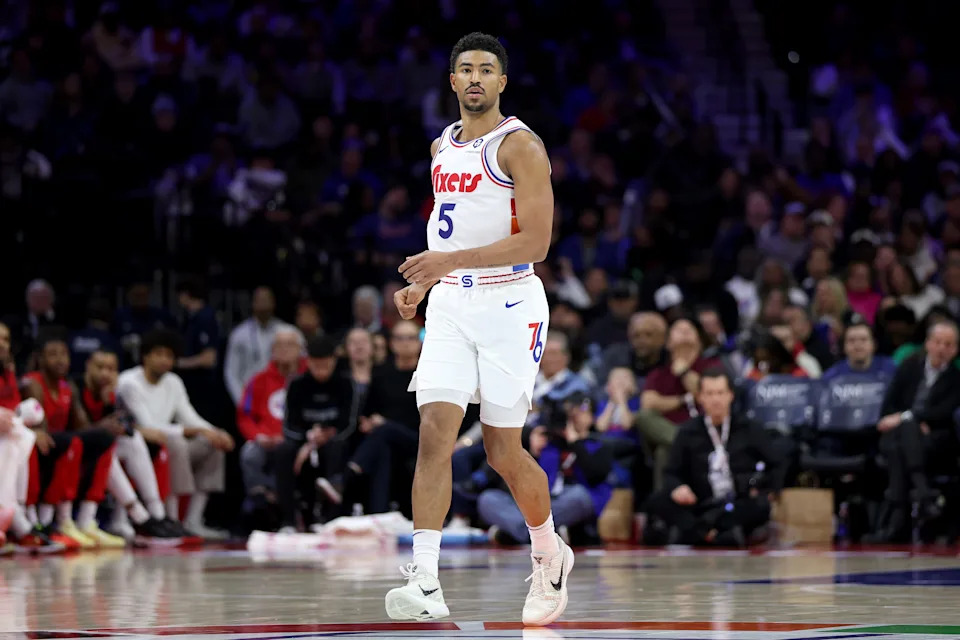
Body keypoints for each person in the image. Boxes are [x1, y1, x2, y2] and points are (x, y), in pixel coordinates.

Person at [386, 33, 573, 626]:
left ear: (501, 82)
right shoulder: (443, 144)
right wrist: (427, 281)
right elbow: (455, 233)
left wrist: (445, 265)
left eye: (485, 70)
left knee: (500, 449)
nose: (474, 78)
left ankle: (548, 552)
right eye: (464, 69)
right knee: (434, 432)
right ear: (451, 81)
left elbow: (537, 243)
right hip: (451, 304)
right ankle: (426, 582)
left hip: (512, 303)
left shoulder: (520, 146)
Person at [117, 329, 235, 539]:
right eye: (159, 354)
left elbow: (189, 417)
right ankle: (171, 518)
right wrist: (195, 430)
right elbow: (149, 426)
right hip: (143, 446)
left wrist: (215, 433)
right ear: (145, 356)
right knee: (175, 442)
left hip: (168, 440)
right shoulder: (129, 383)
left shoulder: (174, 382)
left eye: (169, 356)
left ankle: (194, 520)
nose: (164, 360)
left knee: (212, 445)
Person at [645, 369, 782, 546]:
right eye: (709, 394)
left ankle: (702, 532)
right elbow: (671, 472)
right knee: (658, 500)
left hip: (736, 502)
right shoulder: (687, 432)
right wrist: (679, 488)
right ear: (700, 397)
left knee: (759, 506)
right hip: (700, 501)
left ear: (730, 395)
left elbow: (776, 462)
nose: (715, 400)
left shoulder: (750, 429)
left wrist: (767, 488)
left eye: (720, 393)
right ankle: (713, 533)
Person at [23, 330, 126, 548]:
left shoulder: (67, 386)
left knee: (105, 440)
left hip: (62, 445)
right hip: (38, 449)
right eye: (53, 354)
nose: (60, 360)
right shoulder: (33, 383)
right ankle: (50, 521)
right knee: (74, 443)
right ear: (40, 358)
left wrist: (105, 425)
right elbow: (40, 430)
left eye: (64, 354)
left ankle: (86, 520)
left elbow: (84, 427)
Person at [77, 349, 180, 543]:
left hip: (99, 450)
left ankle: (156, 512)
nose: (105, 374)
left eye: (111, 369)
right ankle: (141, 516)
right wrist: (105, 424)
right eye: (100, 368)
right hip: (75, 450)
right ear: (88, 366)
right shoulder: (78, 387)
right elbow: (82, 432)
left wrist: (111, 406)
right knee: (106, 448)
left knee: (134, 441)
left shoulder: (113, 394)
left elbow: (127, 426)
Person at [870, 320, 960, 542]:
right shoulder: (909, 367)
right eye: (938, 342)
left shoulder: (956, 379)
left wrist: (905, 418)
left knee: (902, 435)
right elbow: (887, 406)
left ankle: (896, 524)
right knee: (903, 436)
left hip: (934, 441)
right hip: (901, 437)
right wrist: (908, 421)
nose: (941, 349)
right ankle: (923, 492)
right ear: (928, 343)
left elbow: (943, 413)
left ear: (955, 350)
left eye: (948, 345)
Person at [634, 316, 720, 490]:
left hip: (703, 430)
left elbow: (706, 393)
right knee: (643, 417)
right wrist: (683, 399)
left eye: (689, 330)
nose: (685, 332)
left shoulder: (711, 366)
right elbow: (648, 403)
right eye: (678, 330)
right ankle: (687, 445)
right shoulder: (658, 374)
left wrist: (684, 372)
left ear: (699, 340)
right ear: (668, 343)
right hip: (670, 431)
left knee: (665, 452)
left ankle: (664, 510)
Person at [278, 336, 352, 531]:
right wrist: (308, 440)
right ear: (308, 362)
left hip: (333, 440)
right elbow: (289, 425)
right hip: (304, 440)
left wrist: (325, 435)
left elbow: (348, 425)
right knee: (284, 451)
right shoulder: (297, 384)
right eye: (316, 366)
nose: (321, 371)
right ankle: (289, 520)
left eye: (325, 366)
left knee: (335, 448)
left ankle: (329, 518)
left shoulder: (346, 383)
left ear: (333, 362)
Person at [236, 328, 305, 505]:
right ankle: (262, 497)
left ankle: (278, 495)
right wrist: (259, 437)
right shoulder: (258, 380)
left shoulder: (308, 378)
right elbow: (245, 416)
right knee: (249, 454)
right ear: (272, 350)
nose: (284, 349)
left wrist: (290, 436)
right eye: (279, 345)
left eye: (289, 344)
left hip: (299, 439)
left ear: (299, 349)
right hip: (266, 440)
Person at [224, 287, 296, 405]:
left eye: (266, 299)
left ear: (274, 303)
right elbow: (231, 373)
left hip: (280, 399)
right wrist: (242, 402)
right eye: (259, 299)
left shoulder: (288, 332)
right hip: (250, 398)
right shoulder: (239, 334)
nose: (263, 303)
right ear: (253, 303)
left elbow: (300, 366)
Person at [822, 322, 897, 381]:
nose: (858, 345)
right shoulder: (832, 376)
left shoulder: (890, 369)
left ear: (874, 345)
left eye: (863, 339)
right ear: (844, 347)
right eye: (852, 340)